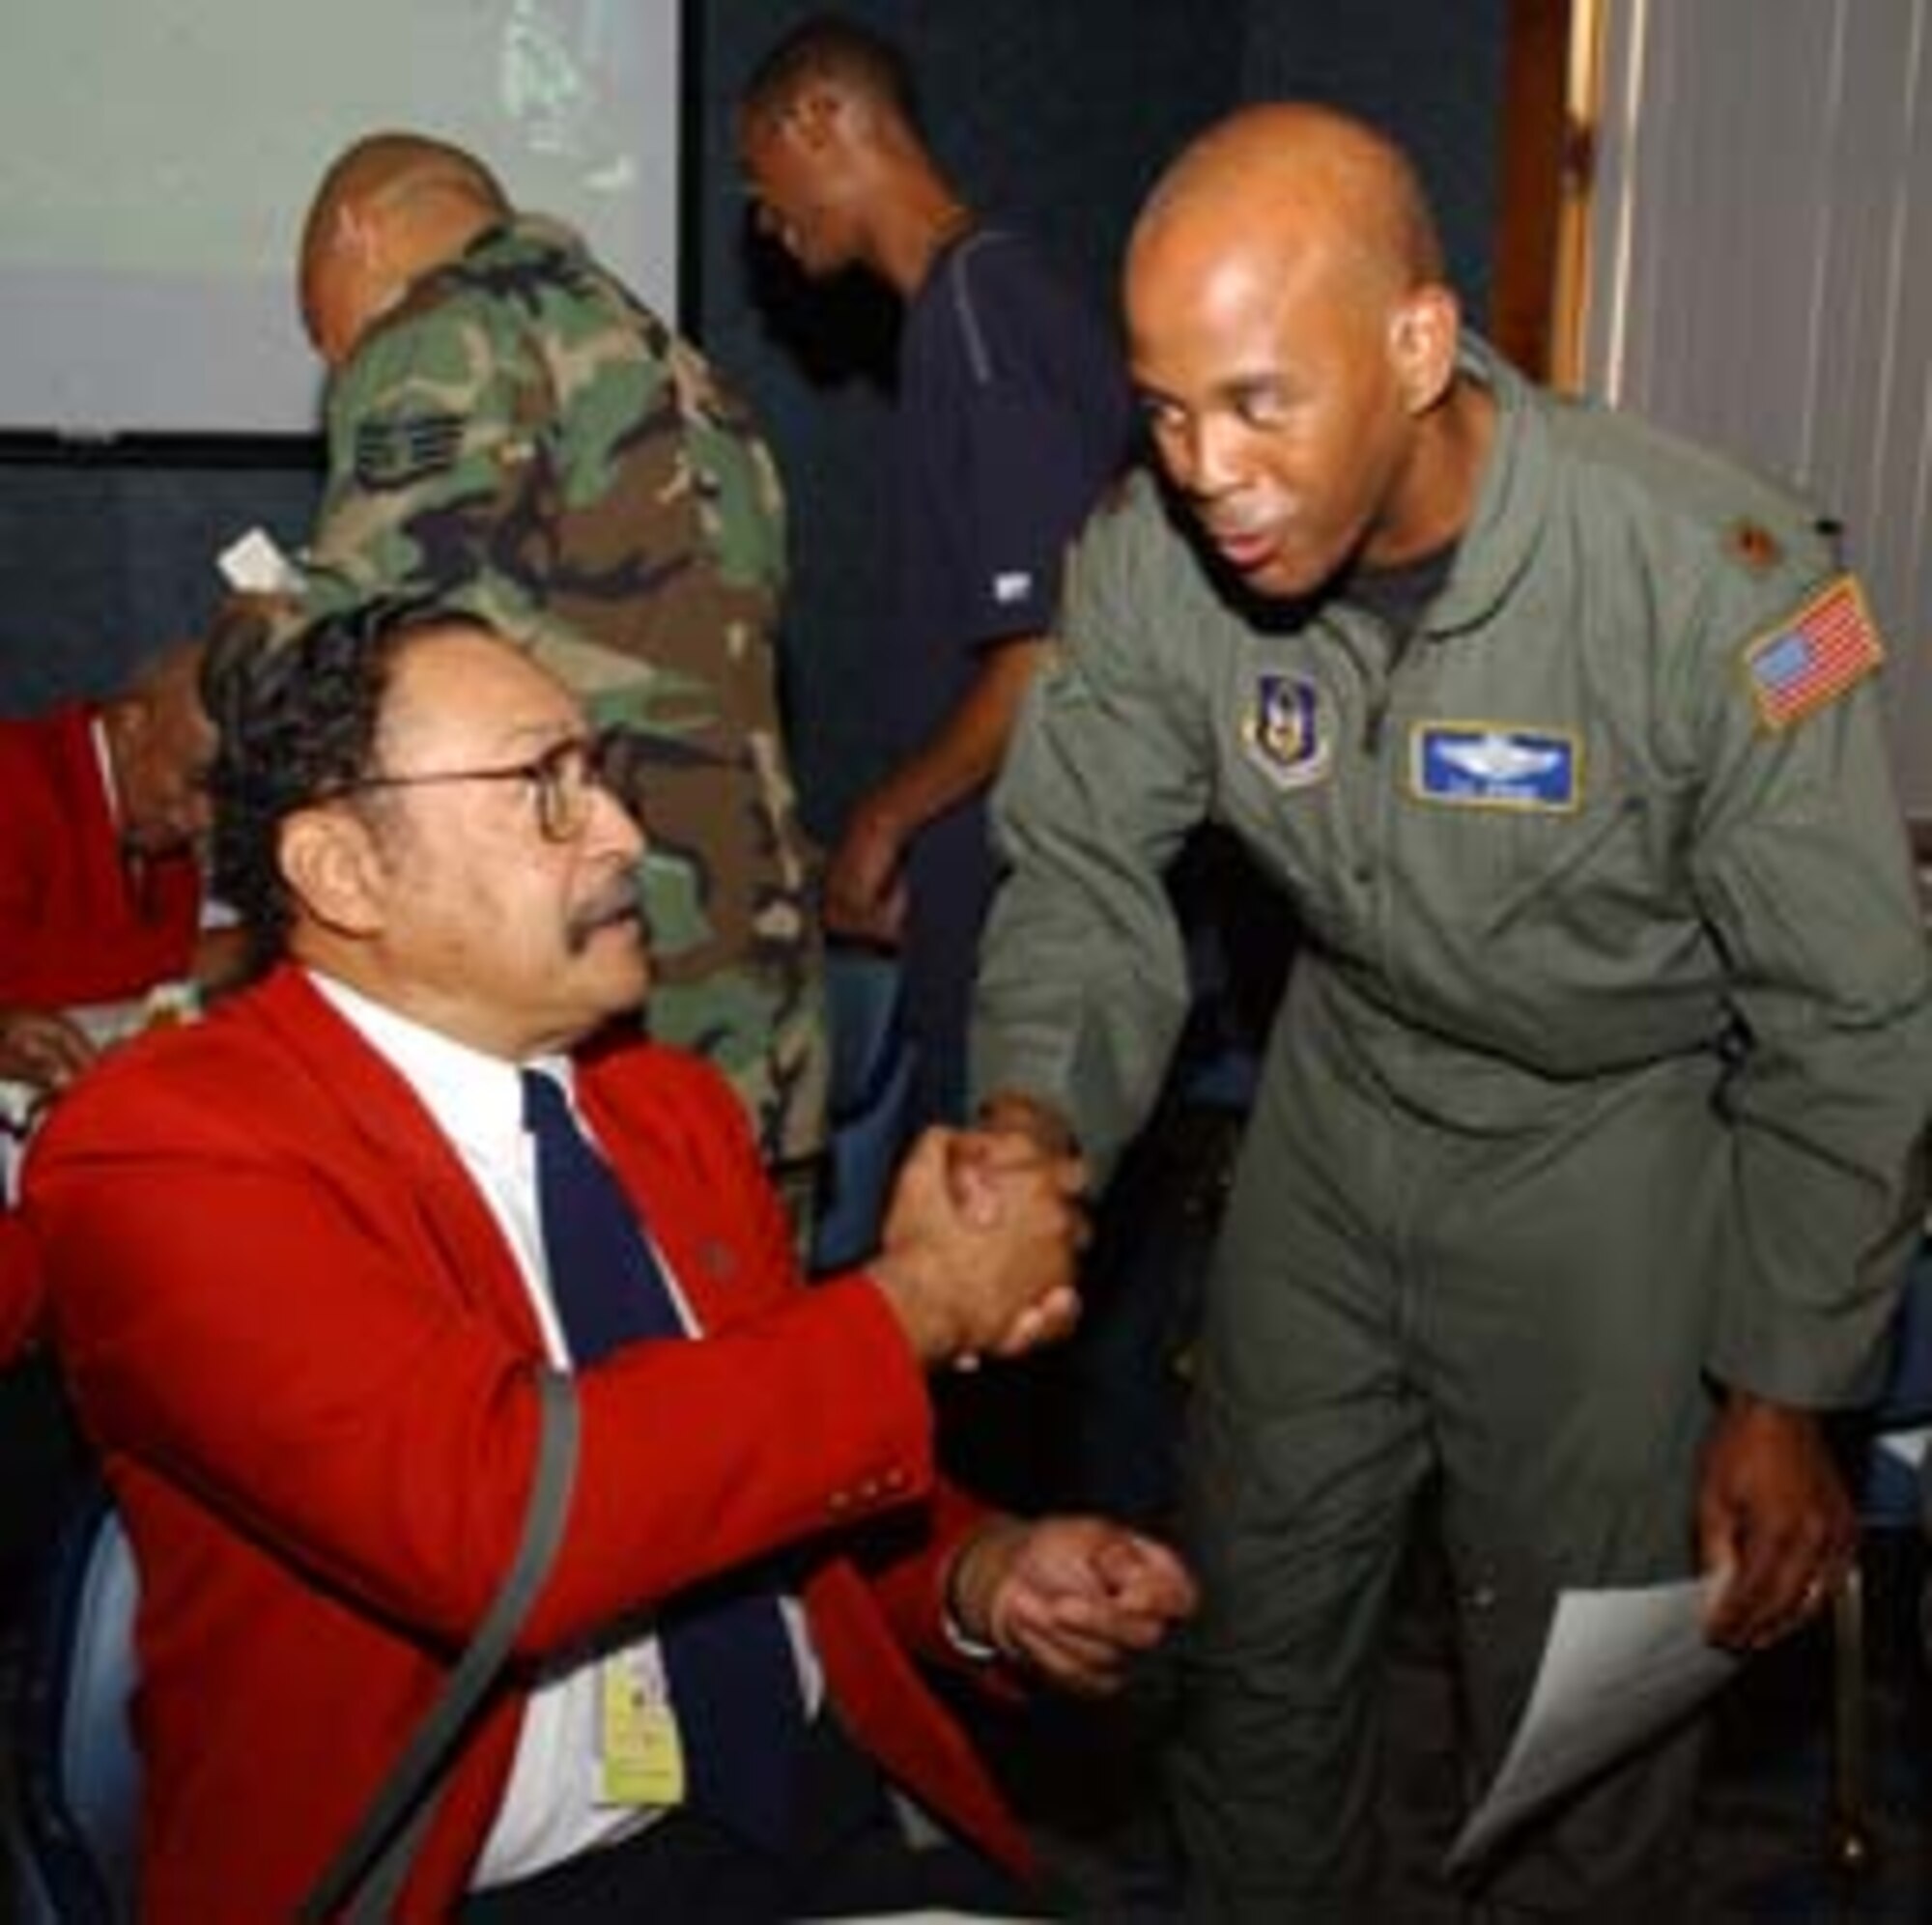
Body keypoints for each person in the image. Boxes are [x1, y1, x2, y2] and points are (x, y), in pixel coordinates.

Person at [969, 102, 1932, 1920]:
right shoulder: (1159, 567)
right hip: (1339, 1109)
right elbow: (1087, 873)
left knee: (1584, 1697)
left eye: (1260, 401)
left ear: (1417, 346)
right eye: (1167, 411)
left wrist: (1787, 1378)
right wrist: (1035, 1121)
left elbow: (1852, 1011)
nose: (1208, 470)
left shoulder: (1715, 585)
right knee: (1252, 1626)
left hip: (1613, 1141)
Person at [24, 597, 1196, 1921]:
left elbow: (757, 1470)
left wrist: (980, 1577)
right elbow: (500, 1518)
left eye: (598, 775)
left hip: (812, 1820)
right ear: (344, 871)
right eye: (543, 790)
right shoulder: (160, 1153)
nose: (627, 834)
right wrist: (916, 1305)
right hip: (485, 1884)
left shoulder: (666, 1109)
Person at [285, 131, 827, 1189]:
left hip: (582, 994)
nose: (339, 365)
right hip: (755, 996)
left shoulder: (439, 336)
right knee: (758, 1347)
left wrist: (251, 639)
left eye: (323, 330)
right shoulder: (689, 372)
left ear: (355, 232)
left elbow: (370, 678)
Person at [738, 15, 1135, 1124]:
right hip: (984, 890)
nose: (765, 221)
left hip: (1026, 920)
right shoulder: (964, 307)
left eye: (757, 177)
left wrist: (884, 819)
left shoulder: (979, 306)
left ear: (820, 120)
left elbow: (1048, 649)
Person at [0, 639, 235, 1096]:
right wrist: (189, 957)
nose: (206, 818)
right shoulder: (13, 774)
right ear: (132, 723)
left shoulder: (150, 817)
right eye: (195, 782)